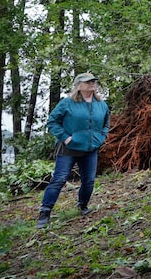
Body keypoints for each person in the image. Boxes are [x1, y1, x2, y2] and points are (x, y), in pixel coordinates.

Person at [37, 72, 110, 229]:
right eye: (88, 81)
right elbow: (52, 122)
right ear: (78, 85)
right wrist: (66, 137)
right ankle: (45, 212)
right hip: (68, 148)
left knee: (89, 181)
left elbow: (106, 123)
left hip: (90, 148)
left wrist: (102, 137)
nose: (92, 83)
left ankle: (82, 206)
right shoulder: (67, 103)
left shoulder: (101, 105)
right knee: (59, 179)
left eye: (93, 81)